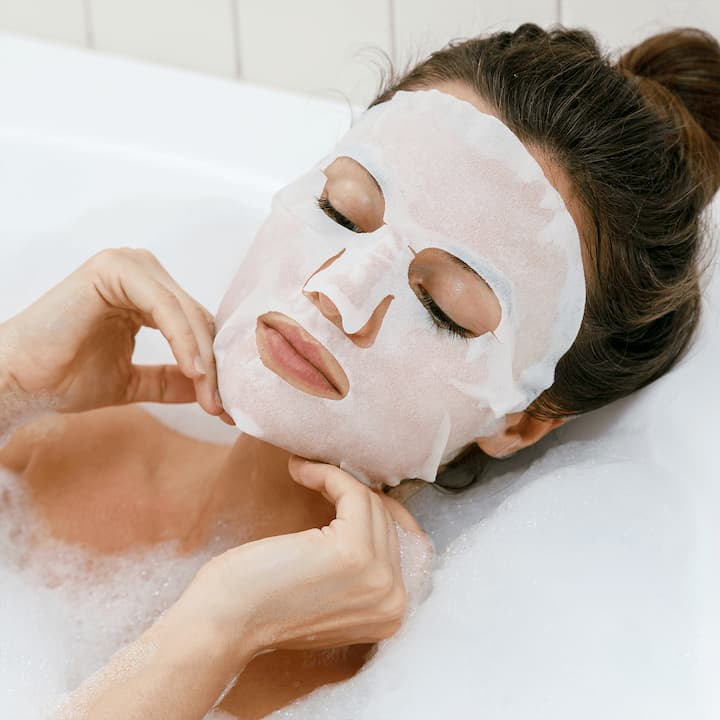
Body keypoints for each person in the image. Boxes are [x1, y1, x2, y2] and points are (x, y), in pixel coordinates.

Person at [0, 22, 718, 720]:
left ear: (519, 422)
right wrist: (11, 381)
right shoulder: (39, 453)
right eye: (340, 212)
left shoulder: (416, 689)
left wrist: (223, 624)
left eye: (442, 307)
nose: (336, 293)